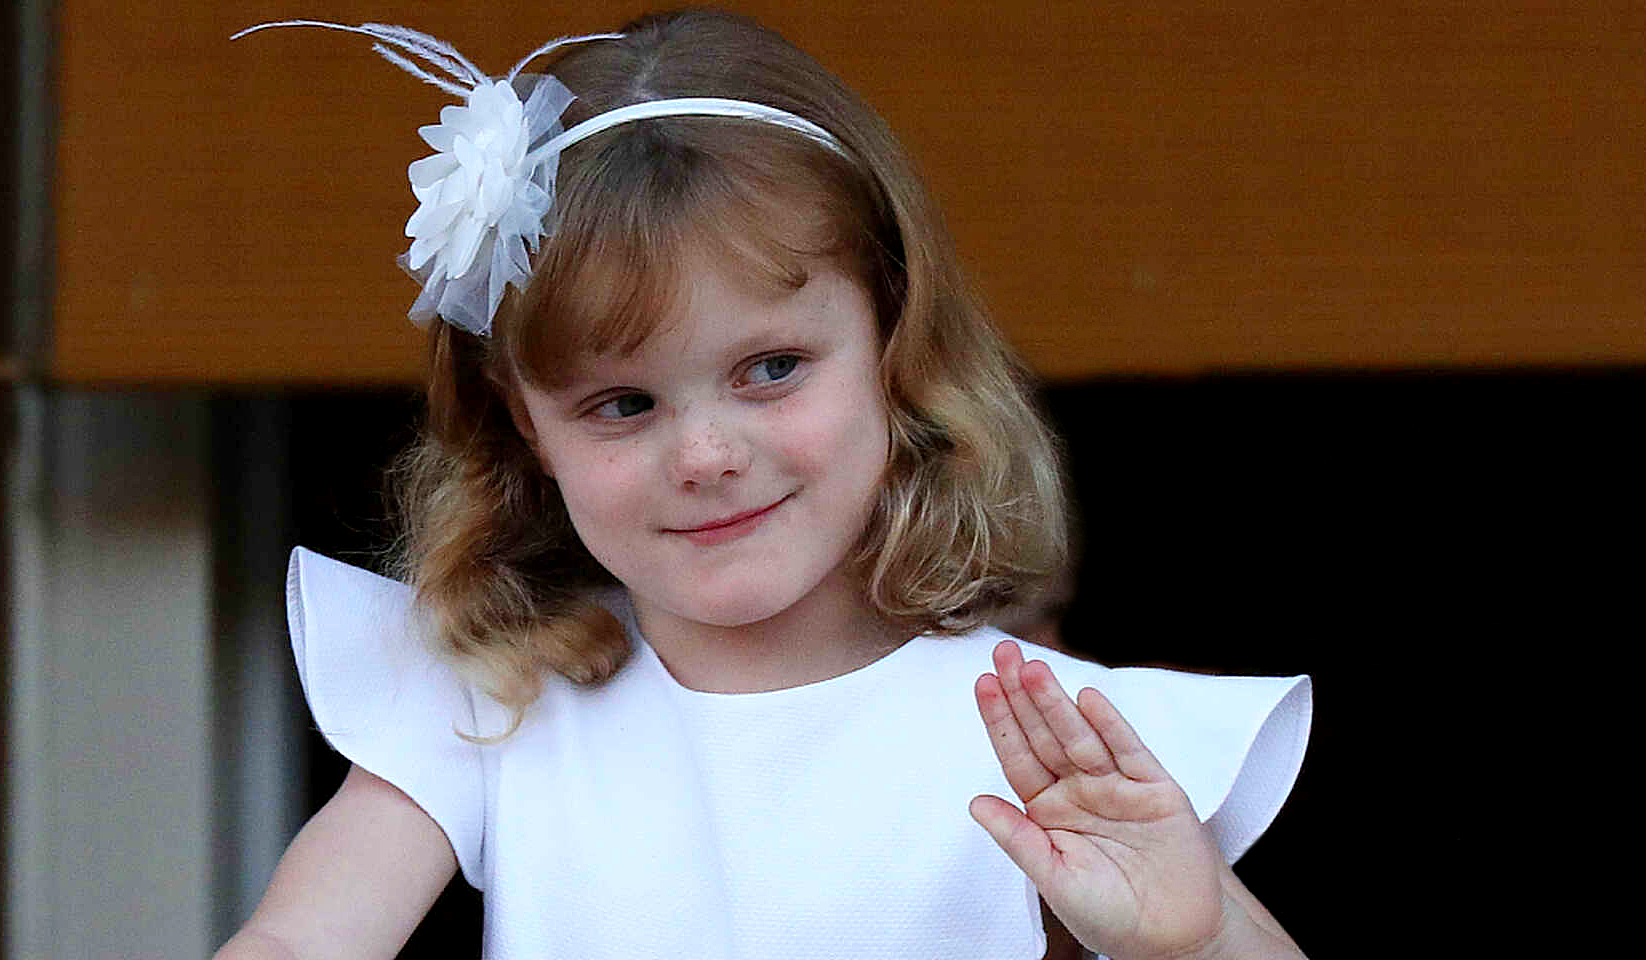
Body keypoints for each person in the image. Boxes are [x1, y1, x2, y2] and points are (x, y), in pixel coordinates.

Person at [217, 10, 1311, 960]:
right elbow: (303, 939)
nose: (704, 455)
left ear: (896, 340)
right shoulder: (491, 704)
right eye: (623, 403)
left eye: (771, 369)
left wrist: (1197, 935)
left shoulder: (1038, 727)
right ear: (526, 430)